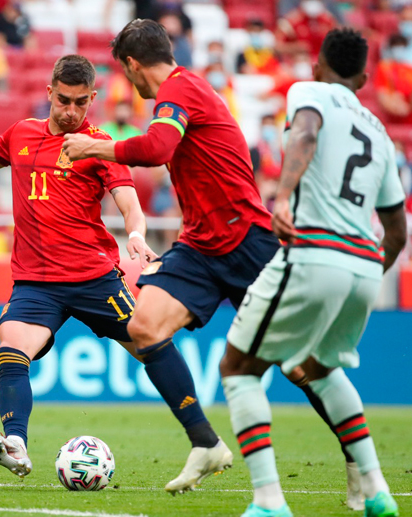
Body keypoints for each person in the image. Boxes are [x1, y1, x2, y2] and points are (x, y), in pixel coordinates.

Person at [0, 55, 231, 483]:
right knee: (12, 344)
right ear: (49, 93)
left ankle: (205, 440)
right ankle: (16, 444)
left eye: (80, 103)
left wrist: (136, 234)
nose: (71, 111)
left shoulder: (98, 145)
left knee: (152, 343)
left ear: (93, 99)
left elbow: (129, 202)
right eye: (64, 100)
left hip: (94, 278)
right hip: (36, 283)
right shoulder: (21, 134)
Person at [62, 20, 365, 498]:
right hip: (201, 245)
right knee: (144, 327)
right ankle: (205, 443)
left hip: (246, 239)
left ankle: (358, 460)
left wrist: (92, 147)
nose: (130, 82)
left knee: (298, 363)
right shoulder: (179, 95)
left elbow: (158, 148)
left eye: (126, 72)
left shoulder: (181, 89)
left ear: (133, 65)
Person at [219, 28, 406, 517]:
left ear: (319, 65)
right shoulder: (381, 133)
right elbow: (397, 232)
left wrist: (282, 196)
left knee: (238, 369)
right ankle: (377, 492)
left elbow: (304, 132)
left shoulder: (310, 92)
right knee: (320, 369)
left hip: (315, 251)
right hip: (365, 267)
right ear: (364, 78)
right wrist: (365, 272)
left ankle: (268, 501)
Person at [375, 34, 412, 124]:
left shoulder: (408, 68)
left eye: (402, 47)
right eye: (397, 46)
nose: (399, 50)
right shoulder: (385, 66)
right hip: (395, 106)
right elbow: (382, 92)